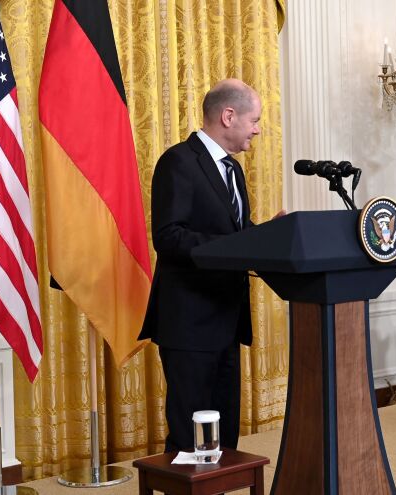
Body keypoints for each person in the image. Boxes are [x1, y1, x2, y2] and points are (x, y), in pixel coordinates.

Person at [139, 78, 262, 453]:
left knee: (223, 434)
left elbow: (237, 233)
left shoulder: (233, 170)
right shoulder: (178, 162)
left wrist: (272, 235)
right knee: (189, 435)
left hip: (227, 320)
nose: (257, 129)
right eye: (254, 120)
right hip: (189, 325)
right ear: (229, 116)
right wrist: (234, 245)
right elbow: (169, 236)